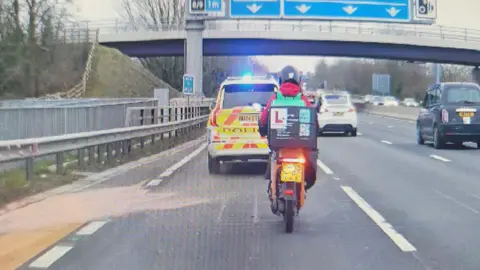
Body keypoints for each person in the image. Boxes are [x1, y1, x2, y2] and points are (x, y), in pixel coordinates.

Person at [258, 65, 318, 198]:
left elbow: (263, 119)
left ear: (280, 81)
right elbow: (313, 120)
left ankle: (273, 191)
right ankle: (303, 187)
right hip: (300, 145)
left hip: (279, 144)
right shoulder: (303, 99)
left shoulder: (274, 98)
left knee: (274, 159)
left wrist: (262, 129)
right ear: (298, 81)